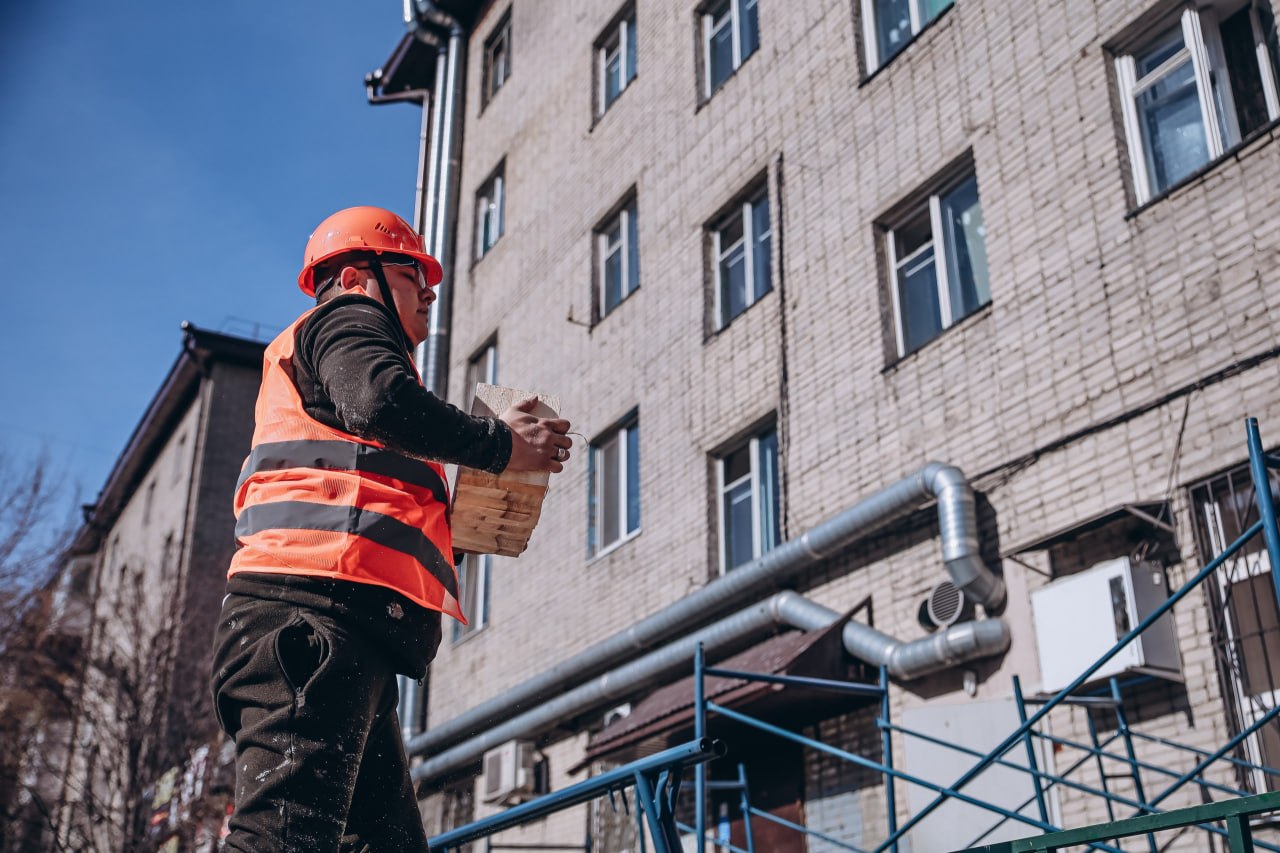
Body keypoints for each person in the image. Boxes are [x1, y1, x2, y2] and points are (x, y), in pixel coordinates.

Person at [210, 206, 571, 851]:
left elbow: (375, 501)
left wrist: (472, 514)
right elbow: (378, 402)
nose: (429, 292)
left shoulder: (347, 378)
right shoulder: (348, 318)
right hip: (309, 621)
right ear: (355, 277)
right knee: (282, 841)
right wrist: (499, 445)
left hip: (337, 624)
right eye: (411, 275)